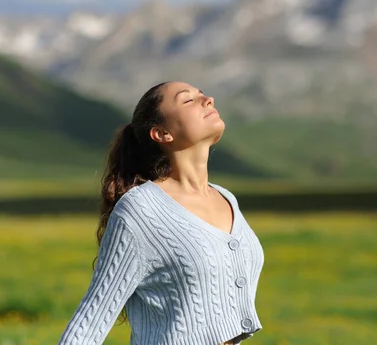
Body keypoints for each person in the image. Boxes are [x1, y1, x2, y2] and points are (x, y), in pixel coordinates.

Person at [58, 81, 265, 345]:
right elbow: (90, 321)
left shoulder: (226, 198)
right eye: (188, 100)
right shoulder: (140, 210)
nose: (208, 100)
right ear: (162, 133)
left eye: (203, 95)